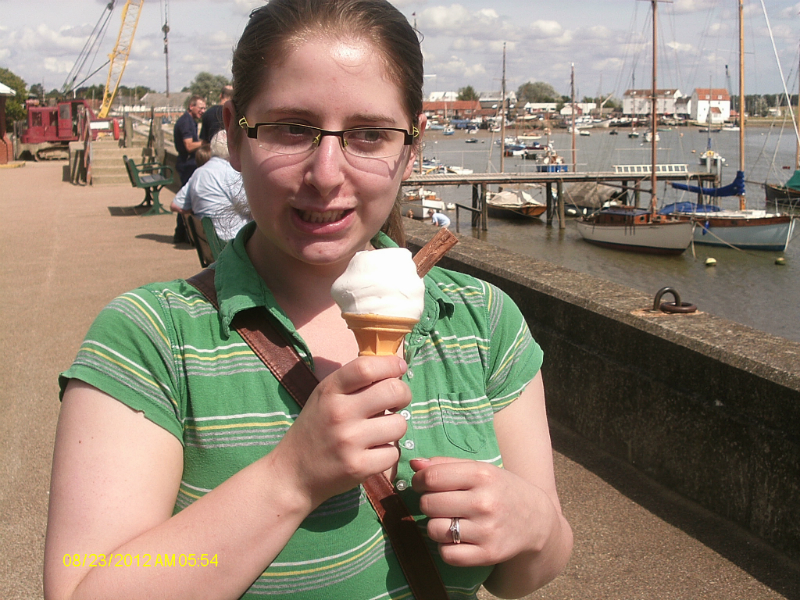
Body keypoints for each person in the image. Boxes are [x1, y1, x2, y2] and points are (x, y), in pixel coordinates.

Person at [44, 1, 572, 599]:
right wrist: (290, 479)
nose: (326, 173)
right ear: (235, 132)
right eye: (293, 127)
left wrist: (537, 527)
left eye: (369, 133)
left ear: (412, 145)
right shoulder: (147, 341)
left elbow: (528, 571)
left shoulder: (482, 321)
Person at [170, 130, 250, 241]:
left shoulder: (199, 172)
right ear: (232, 148)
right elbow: (250, 208)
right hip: (232, 241)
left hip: (208, 240)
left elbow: (176, 205)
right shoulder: (231, 172)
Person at [173, 94, 207, 243]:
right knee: (188, 200)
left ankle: (181, 233)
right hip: (187, 165)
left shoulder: (189, 121)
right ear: (191, 106)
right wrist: (207, 142)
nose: (203, 111)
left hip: (185, 164)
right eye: (200, 108)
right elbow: (189, 146)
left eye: (205, 108)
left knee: (187, 199)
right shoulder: (186, 122)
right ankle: (185, 234)